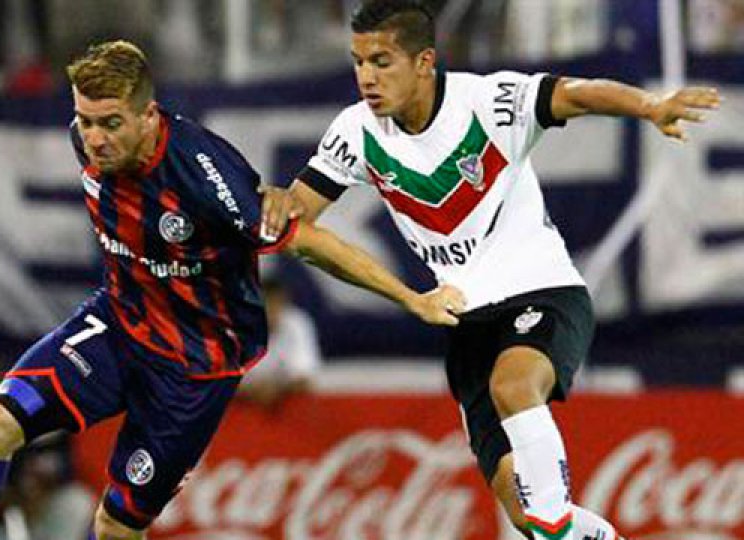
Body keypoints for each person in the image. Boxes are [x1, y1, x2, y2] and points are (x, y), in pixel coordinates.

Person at [0, 39, 460, 540]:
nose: (94, 139)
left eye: (110, 123)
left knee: (116, 526)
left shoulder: (205, 174)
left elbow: (310, 243)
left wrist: (413, 298)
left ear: (149, 115)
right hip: (119, 327)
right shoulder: (86, 140)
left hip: (194, 369)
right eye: (85, 120)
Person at [260, 2, 721, 539]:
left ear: (424, 61)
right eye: (358, 62)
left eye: (382, 61)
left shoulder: (489, 102)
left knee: (514, 388)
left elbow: (575, 92)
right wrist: (277, 203)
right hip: (464, 323)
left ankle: (555, 523)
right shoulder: (356, 132)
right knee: (522, 515)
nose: (366, 77)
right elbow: (299, 213)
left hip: (543, 293)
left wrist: (649, 106)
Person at [237, 264, 322, 409]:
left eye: (275, 304)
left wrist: (276, 389)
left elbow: (305, 378)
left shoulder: (296, 324)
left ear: (283, 303)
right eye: (266, 304)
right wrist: (251, 391)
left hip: (281, 410)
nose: (270, 311)